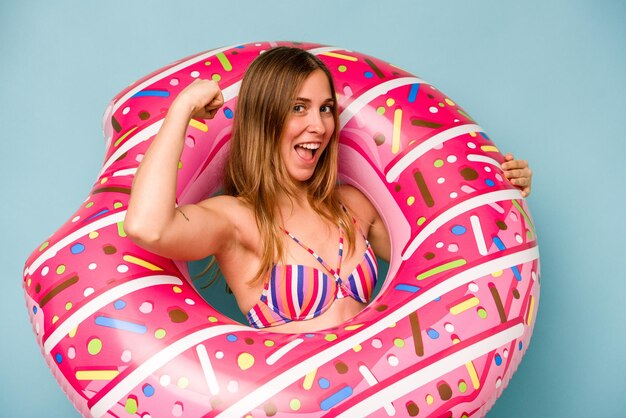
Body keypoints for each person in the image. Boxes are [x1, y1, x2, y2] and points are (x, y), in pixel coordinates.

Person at [125, 47, 533, 333]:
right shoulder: (236, 220)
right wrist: (181, 110)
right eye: (298, 108)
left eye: (325, 108)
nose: (318, 126)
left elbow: (451, 257)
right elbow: (148, 226)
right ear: (265, 118)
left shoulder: (353, 207)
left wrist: (498, 191)